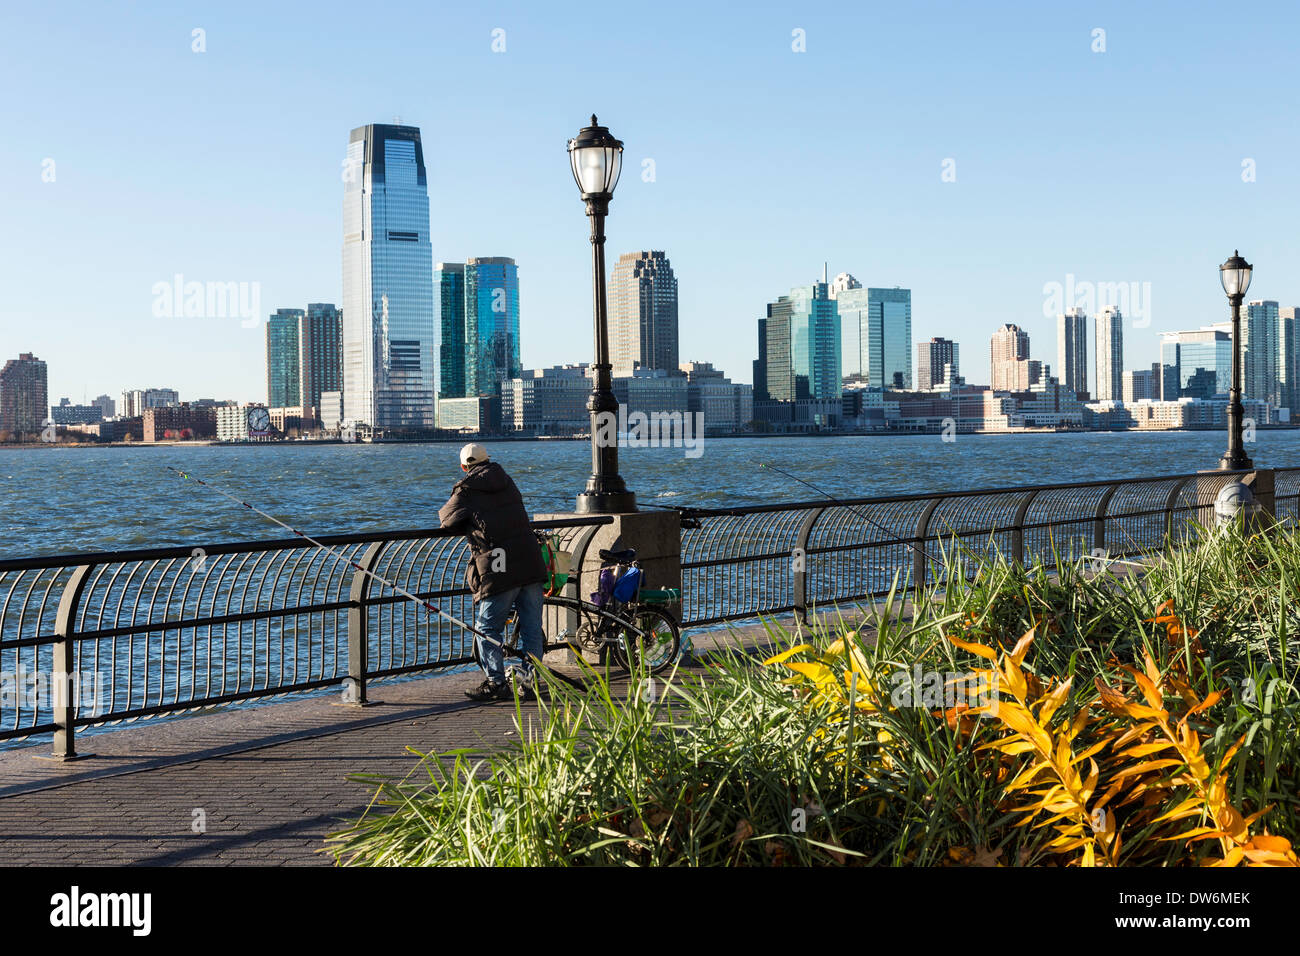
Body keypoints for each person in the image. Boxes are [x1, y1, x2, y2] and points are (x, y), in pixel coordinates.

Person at [438, 443, 548, 701]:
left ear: (464, 466)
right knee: (532, 627)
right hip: (530, 559)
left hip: (499, 563)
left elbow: (446, 520)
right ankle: (531, 683)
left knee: (487, 626)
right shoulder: (506, 480)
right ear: (488, 460)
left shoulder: (466, 488)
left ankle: (496, 682)